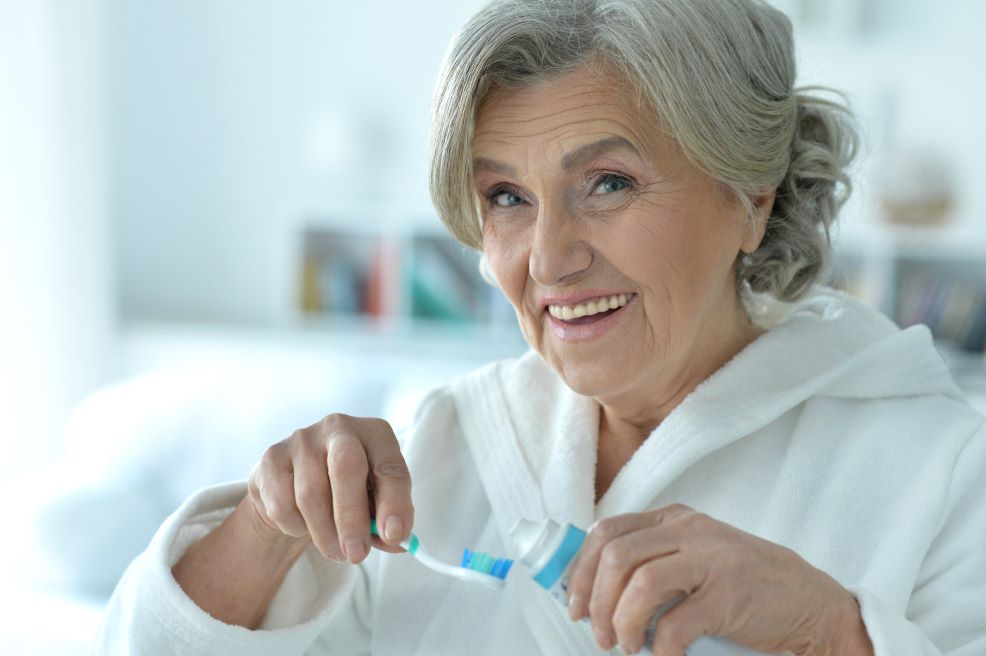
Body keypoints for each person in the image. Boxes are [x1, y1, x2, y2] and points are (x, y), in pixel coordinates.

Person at [95, 0, 986, 654]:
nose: (549, 260)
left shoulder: (939, 470)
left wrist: (827, 632)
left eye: (609, 183)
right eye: (507, 198)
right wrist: (263, 525)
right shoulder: (448, 449)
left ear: (750, 197)